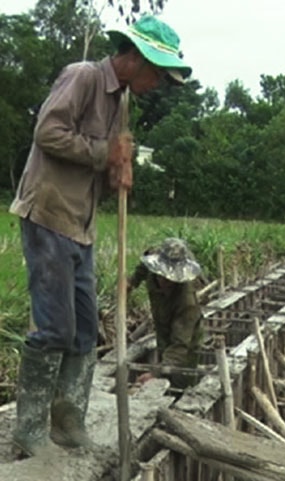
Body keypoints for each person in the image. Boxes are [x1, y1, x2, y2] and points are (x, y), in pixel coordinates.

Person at [9, 15, 192, 457]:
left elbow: (102, 165)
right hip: (50, 214)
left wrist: (117, 170)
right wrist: (103, 152)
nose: (157, 84)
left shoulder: (123, 103)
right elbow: (47, 132)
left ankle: (68, 426)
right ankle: (29, 431)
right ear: (133, 57)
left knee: (86, 331)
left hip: (82, 225)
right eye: (156, 74)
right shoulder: (84, 77)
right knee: (54, 327)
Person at [128, 238, 204, 388]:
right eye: (162, 275)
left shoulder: (186, 302)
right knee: (163, 348)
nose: (165, 281)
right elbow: (143, 266)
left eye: (171, 279)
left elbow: (179, 346)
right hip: (162, 322)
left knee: (181, 378)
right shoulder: (152, 265)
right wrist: (131, 281)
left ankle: (178, 393)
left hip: (186, 340)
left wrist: (154, 374)